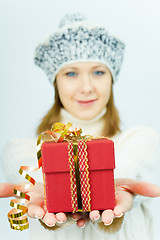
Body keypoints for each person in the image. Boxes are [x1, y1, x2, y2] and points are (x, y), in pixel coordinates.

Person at [1, 13, 160, 240]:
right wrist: (53, 200)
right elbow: (38, 182)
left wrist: (108, 193)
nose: (86, 87)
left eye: (98, 72)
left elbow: (126, 167)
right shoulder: (21, 150)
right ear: (56, 82)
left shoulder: (141, 139)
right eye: (71, 73)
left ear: (111, 78)